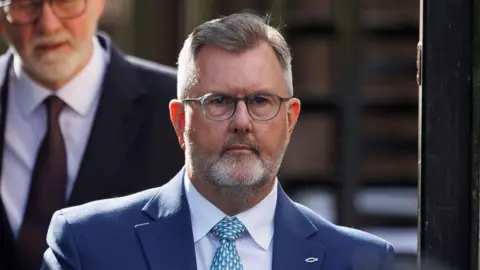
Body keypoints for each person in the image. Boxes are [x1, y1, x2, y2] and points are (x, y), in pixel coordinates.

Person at [41, 12, 395, 270]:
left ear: (290, 119)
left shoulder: (357, 260)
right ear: (180, 121)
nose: (242, 122)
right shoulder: (87, 246)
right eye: (219, 102)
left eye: (260, 101)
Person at [0, 0, 183, 269]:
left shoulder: (179, 109)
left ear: (99, 3)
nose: (49, 25)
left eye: (64, 2)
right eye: (27, 5)